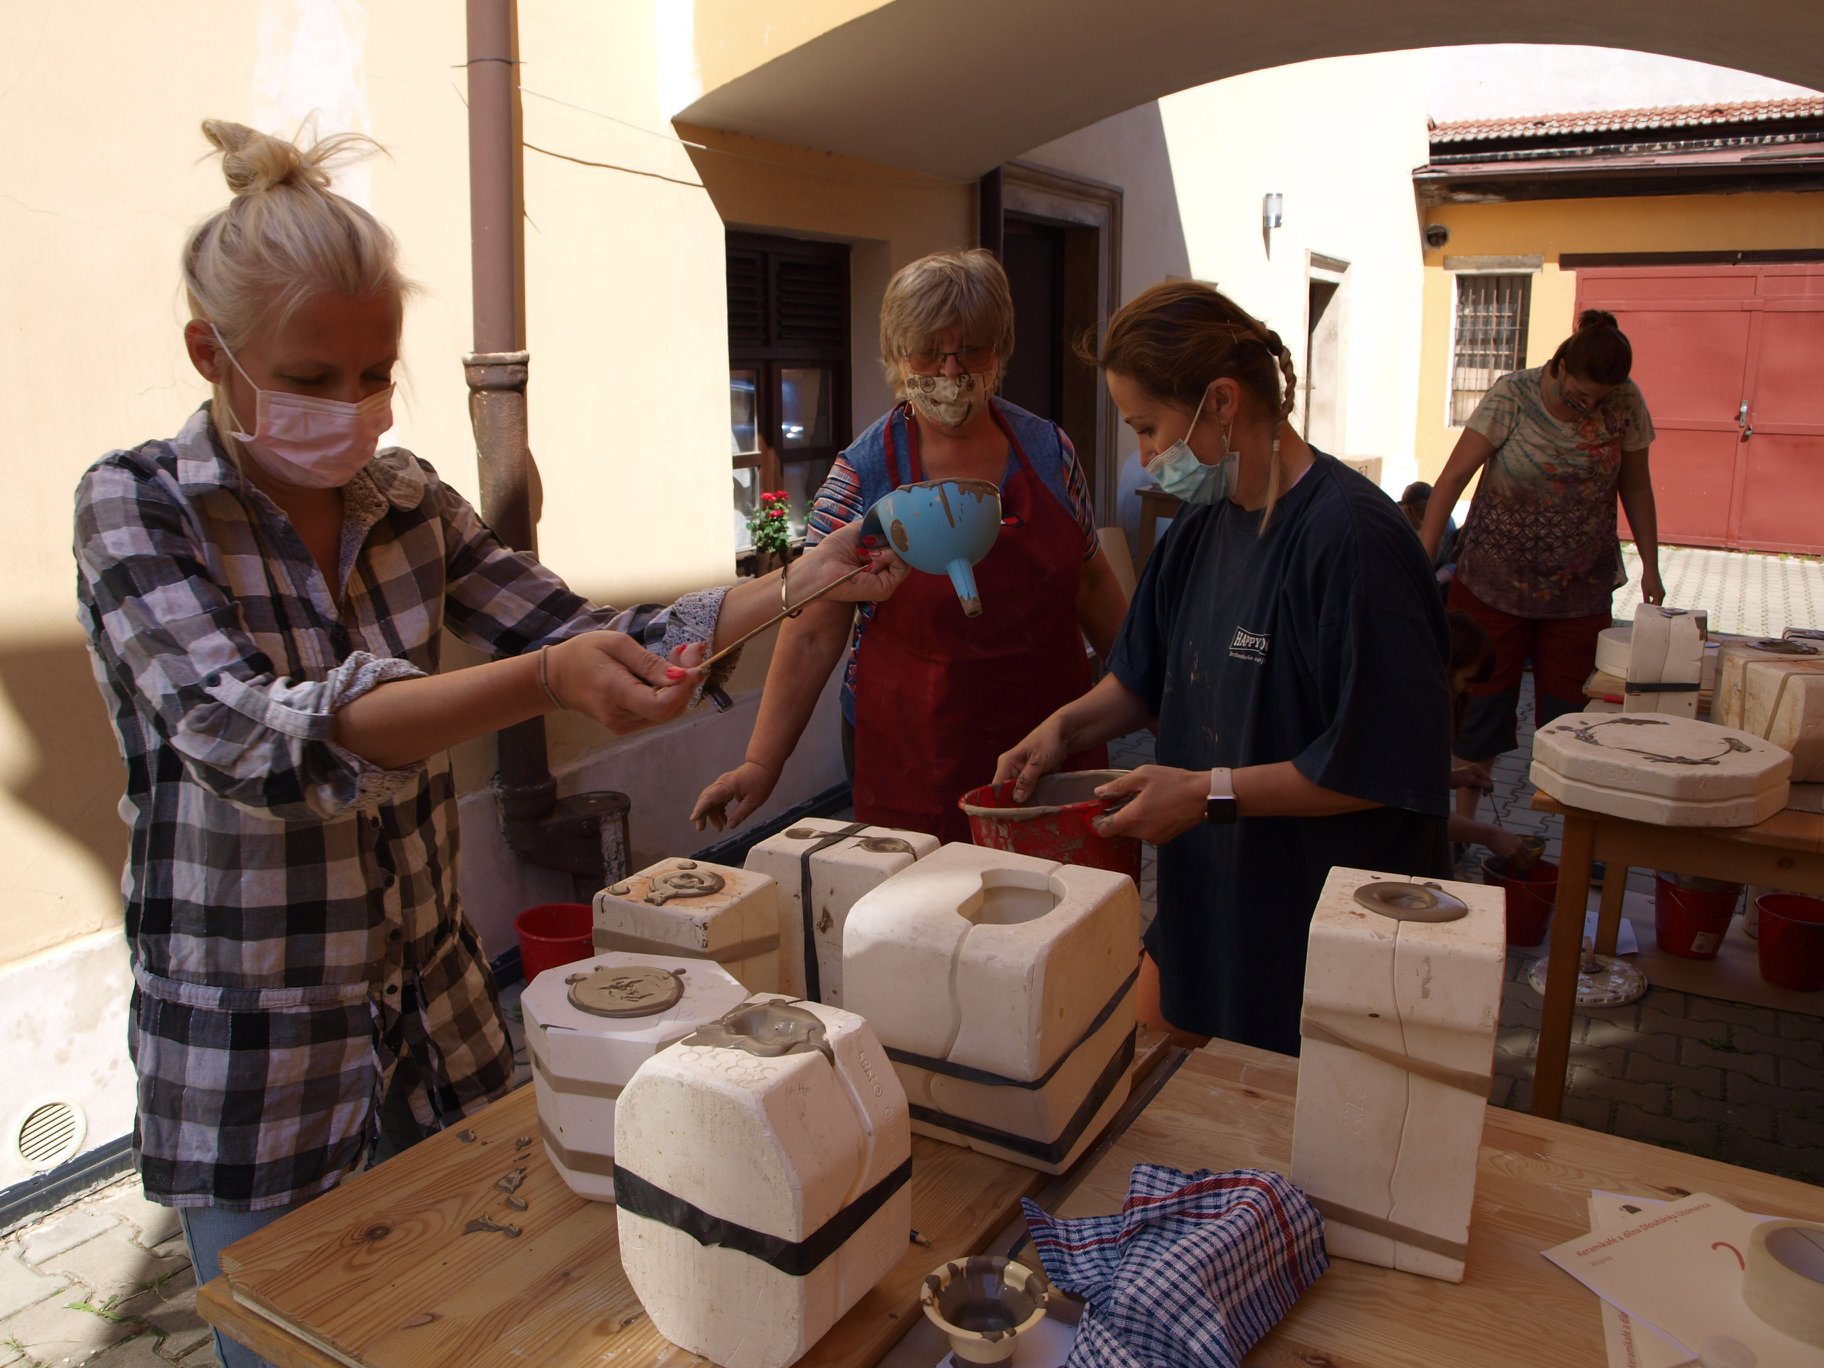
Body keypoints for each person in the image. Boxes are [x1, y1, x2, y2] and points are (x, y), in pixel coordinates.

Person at [73, 121, 903, 1368]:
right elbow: (249, 742)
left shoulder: (407, 500)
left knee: (474, 1327)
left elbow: (587, 634)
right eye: (312, 376)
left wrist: (803, 580)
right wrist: (541, 681)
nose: (351, 410)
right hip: (257, 1055)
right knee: (297, 1339)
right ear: (212, 353)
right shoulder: (134, 505)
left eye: (376, 375)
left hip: (437, 1024)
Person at [994, 280, 1452, 1055]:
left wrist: (1209, 795)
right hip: (1211, 903)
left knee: (1284, 1147)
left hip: (1324, 928)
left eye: (1148, 427)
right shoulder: (1198, 530)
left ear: (1222, 403)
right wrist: (1063, 729)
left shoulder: (1352, 543)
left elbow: (1374, 766)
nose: (1142, 457)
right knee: (1143, 1092)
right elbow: (1137, 681)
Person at [691, 248, 1129, 843]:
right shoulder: (862, 473)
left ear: (999, 349)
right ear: (899, 357)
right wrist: (762, 764)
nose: (951, 371)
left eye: (972, 348)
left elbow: (1094, 580)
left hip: (1053, 744)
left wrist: (1146, 688)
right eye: (930, 350)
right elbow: (815, 627)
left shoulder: (1051, 451)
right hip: (918, 756)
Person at [1418, 308, 1662, 833]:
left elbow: (1636, 486)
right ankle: (1463, 828)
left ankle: (1579, 835)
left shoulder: (1627, 403)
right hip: (1491, 584)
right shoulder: (1514, 396)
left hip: (1579, 591)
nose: (1590, 408)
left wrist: (1651, 565)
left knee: (1573, 716)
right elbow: (1454, 476)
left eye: (1601, 399)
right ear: (1560, 366)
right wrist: (1424, 549)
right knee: (1478, 705)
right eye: (1580, 396)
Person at [1399, 479, 1457, 591]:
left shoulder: (1445, 522)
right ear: (1408, 510)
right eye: (1421, 511)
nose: (1427, 516)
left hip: (1433, 574)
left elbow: (1451, 564)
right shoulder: (1398, 519)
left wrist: (1435, 580)